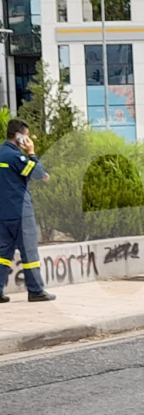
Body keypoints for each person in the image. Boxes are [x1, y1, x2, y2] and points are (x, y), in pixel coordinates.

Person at [0, 120, 55, 303]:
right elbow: (38, 173)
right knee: (29, 252)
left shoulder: (1, 153)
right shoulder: (17, 157)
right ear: (19, 136)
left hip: (2, 214)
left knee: (2, 254)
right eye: (27, 136)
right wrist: (31, 153)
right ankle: (36, 290)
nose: (29, 139)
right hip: (20, 213)